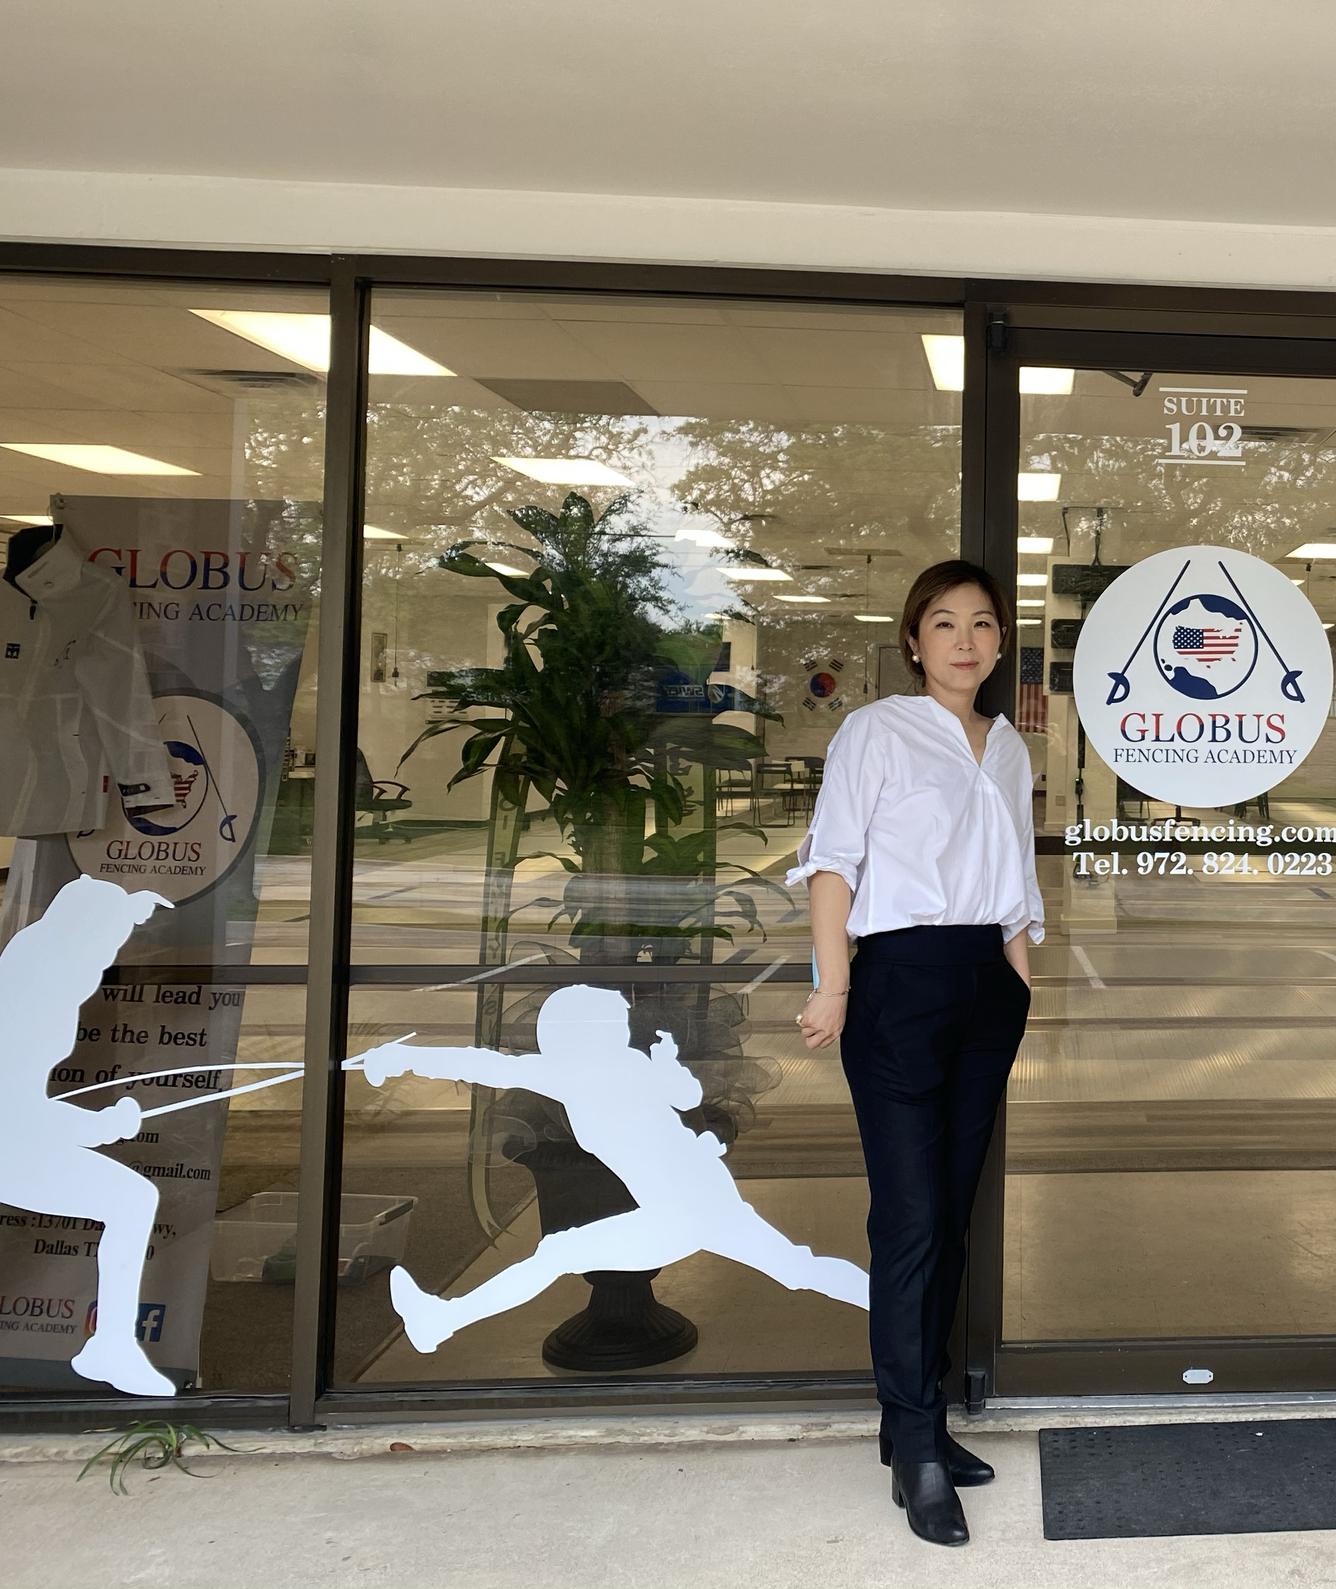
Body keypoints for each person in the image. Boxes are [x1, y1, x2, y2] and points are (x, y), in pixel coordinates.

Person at [790, 559, 1040, 1548]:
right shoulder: (875, 732)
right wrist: (835, 985)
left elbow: (1015, 869)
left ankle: (921, 1420)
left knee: (956, 1215)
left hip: (986, 982)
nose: (967, 642)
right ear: (912, 640)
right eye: (945, 624)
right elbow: (832, 862)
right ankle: (914, 1443)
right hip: (896, 987)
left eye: (982, 624)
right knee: (910, 1219)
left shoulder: (1010, 745)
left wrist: (1020, 974)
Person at [366, 985, 869, 1352]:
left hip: (684, 1205)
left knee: (559, 1253)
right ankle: (904, 1314)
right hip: (697, 1198)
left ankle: (441, 1321)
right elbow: (685, 1096)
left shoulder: (581, 1072)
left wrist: (403, 1058)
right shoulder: (613, 1066)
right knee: (798, 1268)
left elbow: (487, 1065)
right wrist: (404, 1058)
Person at [0, 877, 177, 1396]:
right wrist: (95, 1128)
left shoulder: (44, 967)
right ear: (81, 931)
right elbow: (4, 1110)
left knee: (131, 1199)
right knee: (131, 1199)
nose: (111, 954)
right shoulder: (35, 986)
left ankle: (110, 1347)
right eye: (108, 940)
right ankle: (110, 1348)